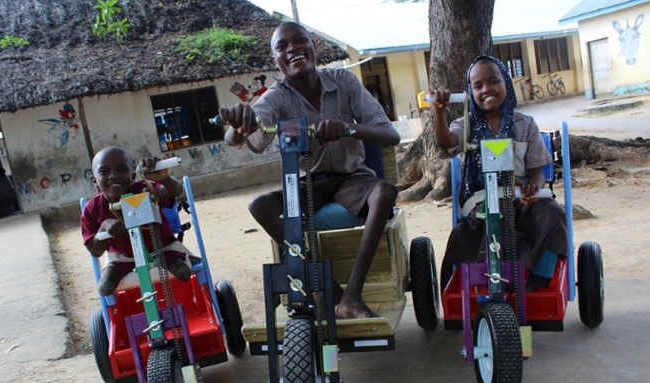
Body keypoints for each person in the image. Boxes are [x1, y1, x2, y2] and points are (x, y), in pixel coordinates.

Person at [216, 21, 401, 319]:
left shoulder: (344, 81)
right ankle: (335, 294)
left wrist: (347, 129)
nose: (293, 48)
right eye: (282, 46)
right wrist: (240, 125)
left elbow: (390, 135)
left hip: (351, 178)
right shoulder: (276, 97)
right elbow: (239, 137)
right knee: (259, 205)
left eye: (300, 40)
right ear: (276, 60)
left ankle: (353, 297)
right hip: (306, 185)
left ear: (313, 47)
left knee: (385, 192)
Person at [432, 55, 567, 293]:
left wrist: (534, 189)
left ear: (506, 82)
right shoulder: (467, 125)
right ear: (471, 91)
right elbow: (447, 141)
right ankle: (491, 281)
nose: (487, 90)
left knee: (553, 212)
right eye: (478, 86)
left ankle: (538, 279)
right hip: (483, 201)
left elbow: (538, 172)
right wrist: (439, 112)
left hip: (521, 199)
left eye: (493, 81)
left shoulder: (525, 124)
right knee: (490, 221)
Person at [81, 146, 191, 296]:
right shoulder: (92, 209)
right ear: (94, 180)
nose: (113, 176)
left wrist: (164, 178)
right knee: (104, 288)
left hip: (163, 249)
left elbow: (175, 190)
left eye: (121, 169)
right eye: (104, 171)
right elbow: (95, 251)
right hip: (123, 256)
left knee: (183, 272)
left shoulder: (144, 189)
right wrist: (104, 226)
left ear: (133, 177)